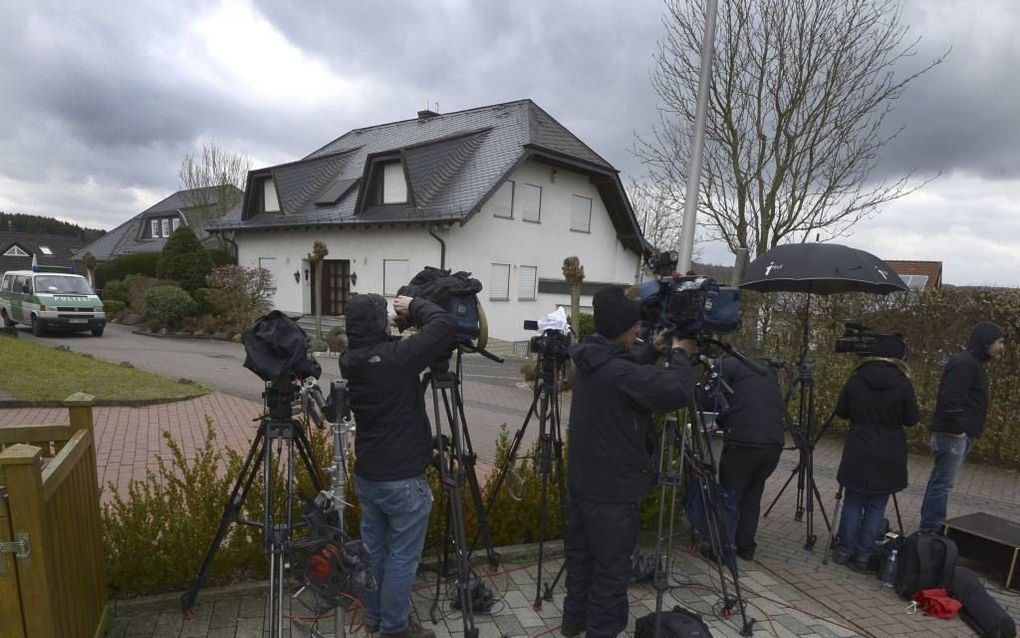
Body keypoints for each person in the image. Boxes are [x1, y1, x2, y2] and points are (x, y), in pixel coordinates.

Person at [562, 286, 697, 638]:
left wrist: (654, 349)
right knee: (611, 571)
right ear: (624, 329)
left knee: (580, 561)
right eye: (636, 326)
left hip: (583, 485)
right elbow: (678, 391)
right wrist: (681, 355)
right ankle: (601, 631)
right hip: (613, 492)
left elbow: (624, 368)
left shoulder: (591, 359)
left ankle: (573, 623)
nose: (639, 330)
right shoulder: (620, 374)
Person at [340, 293, 455, 638]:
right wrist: (416, 305)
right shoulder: (397, 358)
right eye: (385, 316)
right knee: (403, 558)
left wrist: (393, 324)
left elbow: (384, 348)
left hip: (369, 475)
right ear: (377, 323)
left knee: (374, 554)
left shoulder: (350, 359)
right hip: (403, 479)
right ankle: (395, 628)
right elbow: (444, 326)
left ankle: (375, 617)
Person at [831, 335, 919, 570]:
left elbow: (841, 411)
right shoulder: (903, 383)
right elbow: (912, 419)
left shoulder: (856, 379)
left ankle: (843, 550)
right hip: (889, 451)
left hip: (858, 447)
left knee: (853, 501)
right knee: (876, 506)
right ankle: (863, 556)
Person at [919, 321, 1006, 532]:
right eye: (999, 342)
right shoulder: (966, 364)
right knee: (943, 483)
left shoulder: (972, 363)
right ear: (986, 342)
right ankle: (931, 527)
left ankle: (931, 524)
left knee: (940, 481)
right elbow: (950, 400)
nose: (1002, 347)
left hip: (957, 434)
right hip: (952, 435)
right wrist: (959, 431)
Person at [714, 354, 786, 561]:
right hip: (773, 444)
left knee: (730, 495)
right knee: (752, 496)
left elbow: (726, 405)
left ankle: (724, 548)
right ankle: (746, 547)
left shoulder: (727, 369)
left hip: (744, 443)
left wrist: (720, 421)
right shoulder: (766, 375)